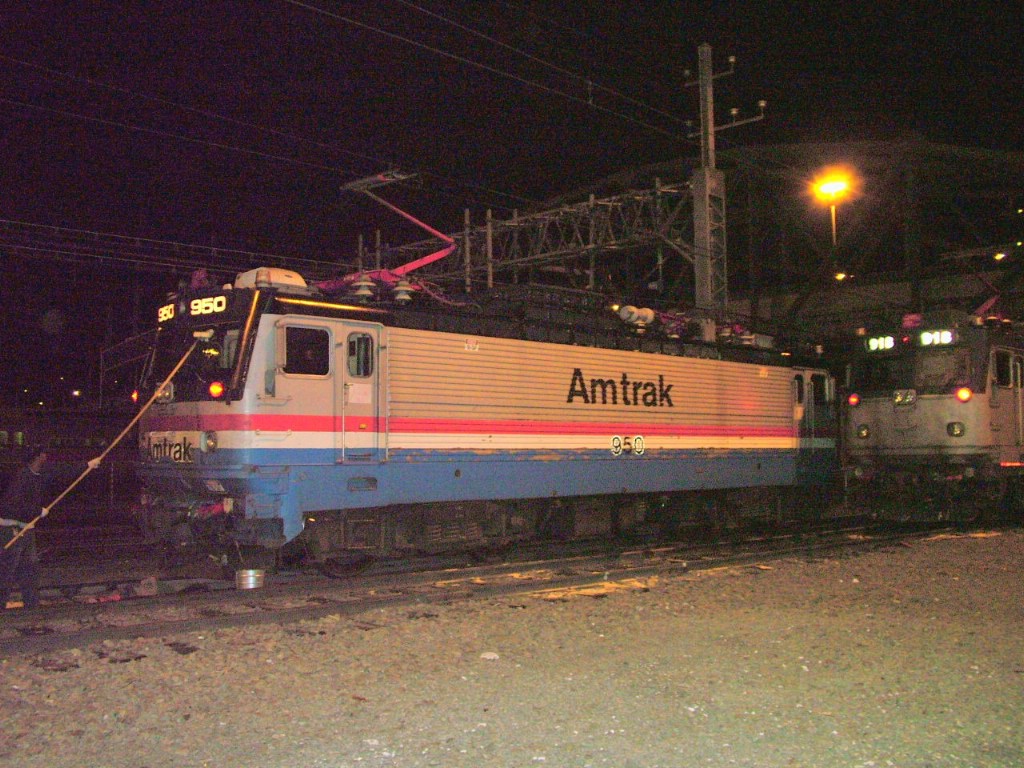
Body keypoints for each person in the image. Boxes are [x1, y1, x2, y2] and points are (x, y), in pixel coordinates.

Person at [0, 448, 101, 611]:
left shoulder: (40, 474)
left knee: (30, 569)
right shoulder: (21, 477)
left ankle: (31, 606)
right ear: (37, 457)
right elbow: (10, 507)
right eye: (43, 454)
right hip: (11, 529)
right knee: (7, 570)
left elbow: (62, 472)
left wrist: (87, 465)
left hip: (26, 529)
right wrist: (37, 511)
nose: (46, 457)